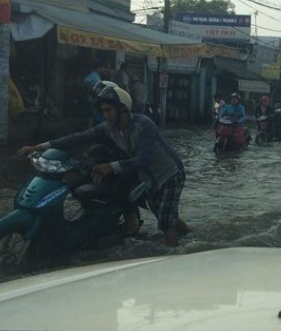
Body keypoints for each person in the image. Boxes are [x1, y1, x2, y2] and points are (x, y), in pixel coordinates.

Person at [17, 87, 190, 247]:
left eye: (109, 110)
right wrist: (37, 147)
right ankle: (190, 236)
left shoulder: (143, 125)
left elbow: (145, 158)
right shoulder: (109, 128)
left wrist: (111, 167)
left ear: (122, 109)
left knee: (165, 222)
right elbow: (76, 138)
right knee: (165, 215)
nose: (105, 115)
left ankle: (173, 257)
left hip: (170, 174)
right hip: (149, 178)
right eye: (103, 111)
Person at [83, 60, 108, 126]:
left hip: (95, 98)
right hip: (92, 98)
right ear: (99, 68)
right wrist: (92, 90)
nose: (104, 69)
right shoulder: (93, 75)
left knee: (93, 115)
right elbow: (86, 81)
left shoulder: (97, 76)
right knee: (92, 115)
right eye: (103, 67)